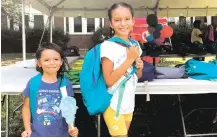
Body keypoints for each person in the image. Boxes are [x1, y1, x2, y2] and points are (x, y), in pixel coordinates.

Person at [100, 2, 143, 137]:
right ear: (111, 24)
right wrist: (129, 59)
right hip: (113, 104)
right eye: (117, 20)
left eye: (127, 19)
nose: (123, 24)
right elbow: (109, 80)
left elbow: (138, 76)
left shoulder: (135, 45)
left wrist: (139, 68)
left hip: (129, 103)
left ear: (133, 21)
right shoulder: (108, 46)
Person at [21, 43, 79, 137]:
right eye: (47, 60)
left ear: (61, 62)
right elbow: (26, 107)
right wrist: (27, 129)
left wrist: (71, 127)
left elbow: (69, 108)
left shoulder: (65, 83)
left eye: (56, 59)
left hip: (61, 134)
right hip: (37, 134)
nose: (52, 63)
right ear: (39, 63)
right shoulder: (33, 83)